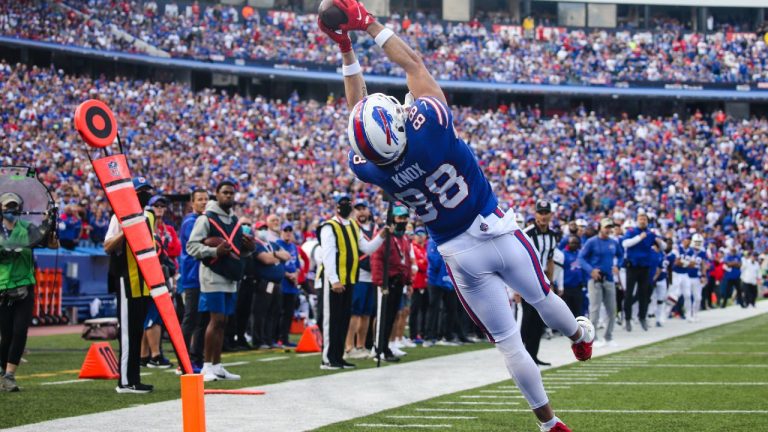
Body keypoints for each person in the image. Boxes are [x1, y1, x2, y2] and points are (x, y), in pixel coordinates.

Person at [319, 7, 593, 430]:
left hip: (459, 253)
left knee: (508, 343)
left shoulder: (371, 168)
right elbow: (412, 64)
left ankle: (548, 423)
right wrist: (367, 21)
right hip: (495, 229)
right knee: (542, 299)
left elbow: (357, 113)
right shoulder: (431, 129)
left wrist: (345, 49)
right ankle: (579, 337)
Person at [186, 181, 255, 382]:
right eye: (224, 193)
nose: (228, 196)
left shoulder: (234, 220)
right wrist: (213, 251)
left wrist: (249, 248)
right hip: (212, 275)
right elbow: (191, 246)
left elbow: (238, 250)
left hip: (230, 275)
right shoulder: (206, 219)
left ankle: (217, 365)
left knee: (224, 322)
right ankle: (206, 367)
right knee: (215, 320)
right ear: (216, 194)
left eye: (231, 193)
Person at [316, 194, 385, 370]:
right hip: (335, 280)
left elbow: (367, 248)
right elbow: (328, 254)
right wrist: (334, 280)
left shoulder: (354, 225)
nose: (346, 206)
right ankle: (328, 358)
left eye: (349, 203)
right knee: (331, 319)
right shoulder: (329, 226)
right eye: (343, 204)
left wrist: (381, 236)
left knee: (343, 319)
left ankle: (338, 356)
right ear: (337, 207)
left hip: (349, 279)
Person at [0, 192, 58, 392]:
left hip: (25, 285)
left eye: (15, 206)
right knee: (5, 335)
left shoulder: (27, 228)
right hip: (2, 288)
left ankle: (9, 375)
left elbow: (50, 243)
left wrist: (50, 226)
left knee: (19, 331)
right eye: (8, 206)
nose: (11, 210)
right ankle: (2, 372)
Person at [103, 177, 156, 393]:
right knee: (127, 333)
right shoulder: (120, 215)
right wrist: (126, 232)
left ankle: (134, 377)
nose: (145, 194)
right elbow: (107, 245)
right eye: (140, 191)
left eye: (146, 190)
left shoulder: (149, 216)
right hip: (126, 280)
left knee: (136, 332)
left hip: (144, 282)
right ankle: (125, 381)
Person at [521, 199, 560, 366]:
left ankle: (533, 356)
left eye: (546, 213)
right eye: (540, 213)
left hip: (543, 281)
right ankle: (522, 358)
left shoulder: (552, 235)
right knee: (528, 319)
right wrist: (517, 288)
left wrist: (550, 282)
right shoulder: (527, 233)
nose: (543, 216)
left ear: (551, 215)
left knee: (538, 321)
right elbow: (519, 260)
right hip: (528, 280)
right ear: (535, 214)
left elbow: (550, 259)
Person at [371, 204, 413, 361]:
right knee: (383, 316)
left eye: (404, 218)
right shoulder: (385, 236)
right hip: (387, 282)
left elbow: (406, 260)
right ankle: (378, 348)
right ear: (392, 219)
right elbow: (377, 260)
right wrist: (381, 283)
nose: (402, 221)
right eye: (399, 218)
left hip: (399, 281)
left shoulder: (403, 238)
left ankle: (385, 346)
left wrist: (409, 281)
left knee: (391, 317)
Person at [578, 218, 622, 347]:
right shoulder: (592, 242)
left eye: (610, 227)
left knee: (612, 309)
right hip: (595, 279)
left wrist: (618, 266)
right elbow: (581, 257)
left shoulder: (613, 243)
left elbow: (621, 255)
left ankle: (608, 336)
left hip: (609, 278)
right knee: (595, 310)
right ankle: (593, 338)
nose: (608, 229)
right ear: (600, 228)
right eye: (606, 227)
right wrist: (590, 270)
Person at [179, 189, 209, 372]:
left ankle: (196, 358)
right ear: (192, 202)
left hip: (204, 275)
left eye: (206, 199)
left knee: (201, 320)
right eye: (200, 199)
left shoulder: (202, 220)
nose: (204, 202)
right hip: (192, 275)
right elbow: (201, 243)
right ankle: (184, 360)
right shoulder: (191, 221)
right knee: (191, 318)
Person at [345, 199, 379, 359]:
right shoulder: (353, 227)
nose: (361, 212)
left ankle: (361, 345)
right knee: (355, 313)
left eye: (363, 208)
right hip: (358, 273)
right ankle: (349, 346)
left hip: (373, 275)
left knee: (366, 313)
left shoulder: (375, 228)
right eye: (357, 209)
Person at [620, 212, 665, 331]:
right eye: (640, 219)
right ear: (637, 220)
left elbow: (663, 247)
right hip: (632, 266)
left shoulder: (651, 234)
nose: (642, 221)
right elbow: (625, 244)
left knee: (644, 294)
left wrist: (659, 243)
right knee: (629, 294)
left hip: (645, 267)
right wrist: (639, 238)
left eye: (644, 219)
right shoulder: (631, 232)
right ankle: (628, 319)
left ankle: (642, 317)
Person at [275, 222, 301, 347]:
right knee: (279, 312)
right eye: (286, 230)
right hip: (282, 284)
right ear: (281, 232)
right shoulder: (277, 245)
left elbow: (297, 266)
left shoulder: (293, 247)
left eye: (290, 230)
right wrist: (288, 275)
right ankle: (277, 338)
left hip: (292, 286)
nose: (288, 233)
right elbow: (276, 264)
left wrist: (295, 275)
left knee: (289, 314)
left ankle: (285, 338)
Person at [409, 226, 429, 344]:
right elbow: (420, 265)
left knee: (424, 309)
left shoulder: (425, 248)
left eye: (422, 233)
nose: (420, 235)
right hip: (416, 283)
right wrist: (424, 263)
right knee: (414, 310)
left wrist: (424, 263)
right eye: (418, 233)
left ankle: (421, 333)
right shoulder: (413, 247)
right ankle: (413, 335)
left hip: (425, 283)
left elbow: (427, 264)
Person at [560, 235, 587, 319]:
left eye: (576, 243)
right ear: (568, 243)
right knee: (568, 310)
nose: (574, 245)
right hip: (566, 287)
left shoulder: (580, 254)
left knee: (579, 310)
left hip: (578, 286)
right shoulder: (563, 254)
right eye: (572, 243)